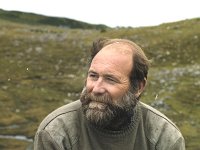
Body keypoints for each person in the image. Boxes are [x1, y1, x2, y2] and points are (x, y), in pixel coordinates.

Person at [34, 38, 185, 150]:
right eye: (93, 76)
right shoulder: (56, 131)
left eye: (110, 79)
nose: (96, 88)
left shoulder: (164, 137)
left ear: (138, 87)